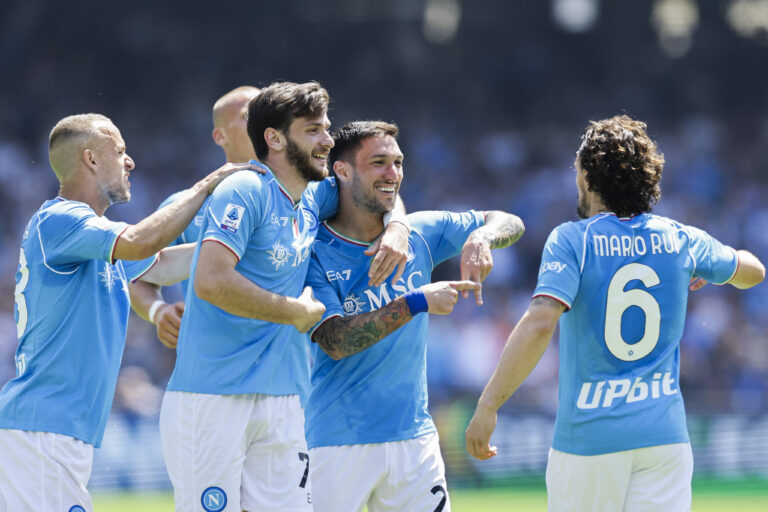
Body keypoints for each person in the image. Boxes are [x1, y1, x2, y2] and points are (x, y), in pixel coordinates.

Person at [465, 115, 765, 511]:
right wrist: (709, 273)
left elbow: (540, 322)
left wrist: (488, 405)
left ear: (589, 175)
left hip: (589, 441)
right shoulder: (680, 239)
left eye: (576, 168)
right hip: (664, 441)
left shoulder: (572, 240)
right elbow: (754, 272)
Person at [159, 83, 411, 512]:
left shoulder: (314, 195)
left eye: (327, 129)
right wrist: (294, 312)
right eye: (314, 130)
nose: (328, 141)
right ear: (274, 138)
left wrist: (398, 228)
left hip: (285, 397)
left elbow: (380, 187)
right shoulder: (245, 190)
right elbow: (210, 281)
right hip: (214, 395)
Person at [0, 113, 255, 512]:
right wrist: (207, 186)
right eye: (119, 151)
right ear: (90, 159)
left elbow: (164, 263)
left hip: (55, 433)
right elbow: (140, 241)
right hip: (42, 431)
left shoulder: (92, 238)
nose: (130, 161)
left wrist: (243, 244)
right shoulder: (59, 220)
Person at [304, 120, 525, 512]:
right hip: (336, 442)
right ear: (342, 170)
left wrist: (481, 237)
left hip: (414, 441)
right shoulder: (316, 250)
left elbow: (511, 222)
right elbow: (335, 341)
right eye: (379, 163)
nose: (393, 174)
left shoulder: (420, 231)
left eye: (398, 162)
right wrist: (414, 303)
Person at [129, 85, 260, 348]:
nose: (263, 122)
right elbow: (135, 273)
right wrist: (158, 311)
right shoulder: (184, 205)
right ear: (219, 136)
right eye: (249, 115)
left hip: (288, 374)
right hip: (208, 368)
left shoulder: (305, 197)